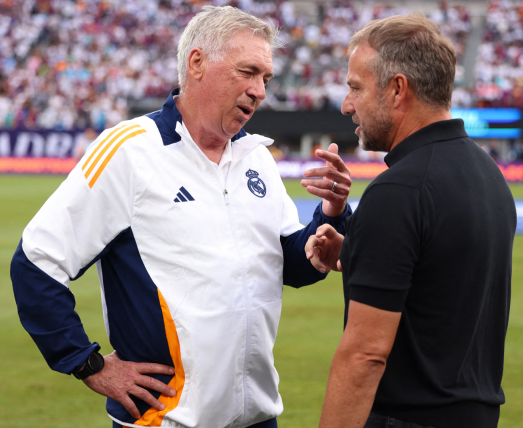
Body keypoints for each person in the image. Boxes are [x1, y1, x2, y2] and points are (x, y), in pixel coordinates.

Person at [10, 6, 352, 428]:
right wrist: (88, 364)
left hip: (258, 416)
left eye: (266, 78)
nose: (260, 91)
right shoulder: (129, 150)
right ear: (197, 63)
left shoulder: (257, 157)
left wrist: (331, 214)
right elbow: (37, 262)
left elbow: (292, 264)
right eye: (248, 72)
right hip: (167, 419)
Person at [305, 14, 517, 428]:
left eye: (355, 87)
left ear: (398, 89)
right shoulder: (488, 174)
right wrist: (356, 254)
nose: (348, 104)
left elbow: (365, 354)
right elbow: (440, 279)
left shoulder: (399, 190)